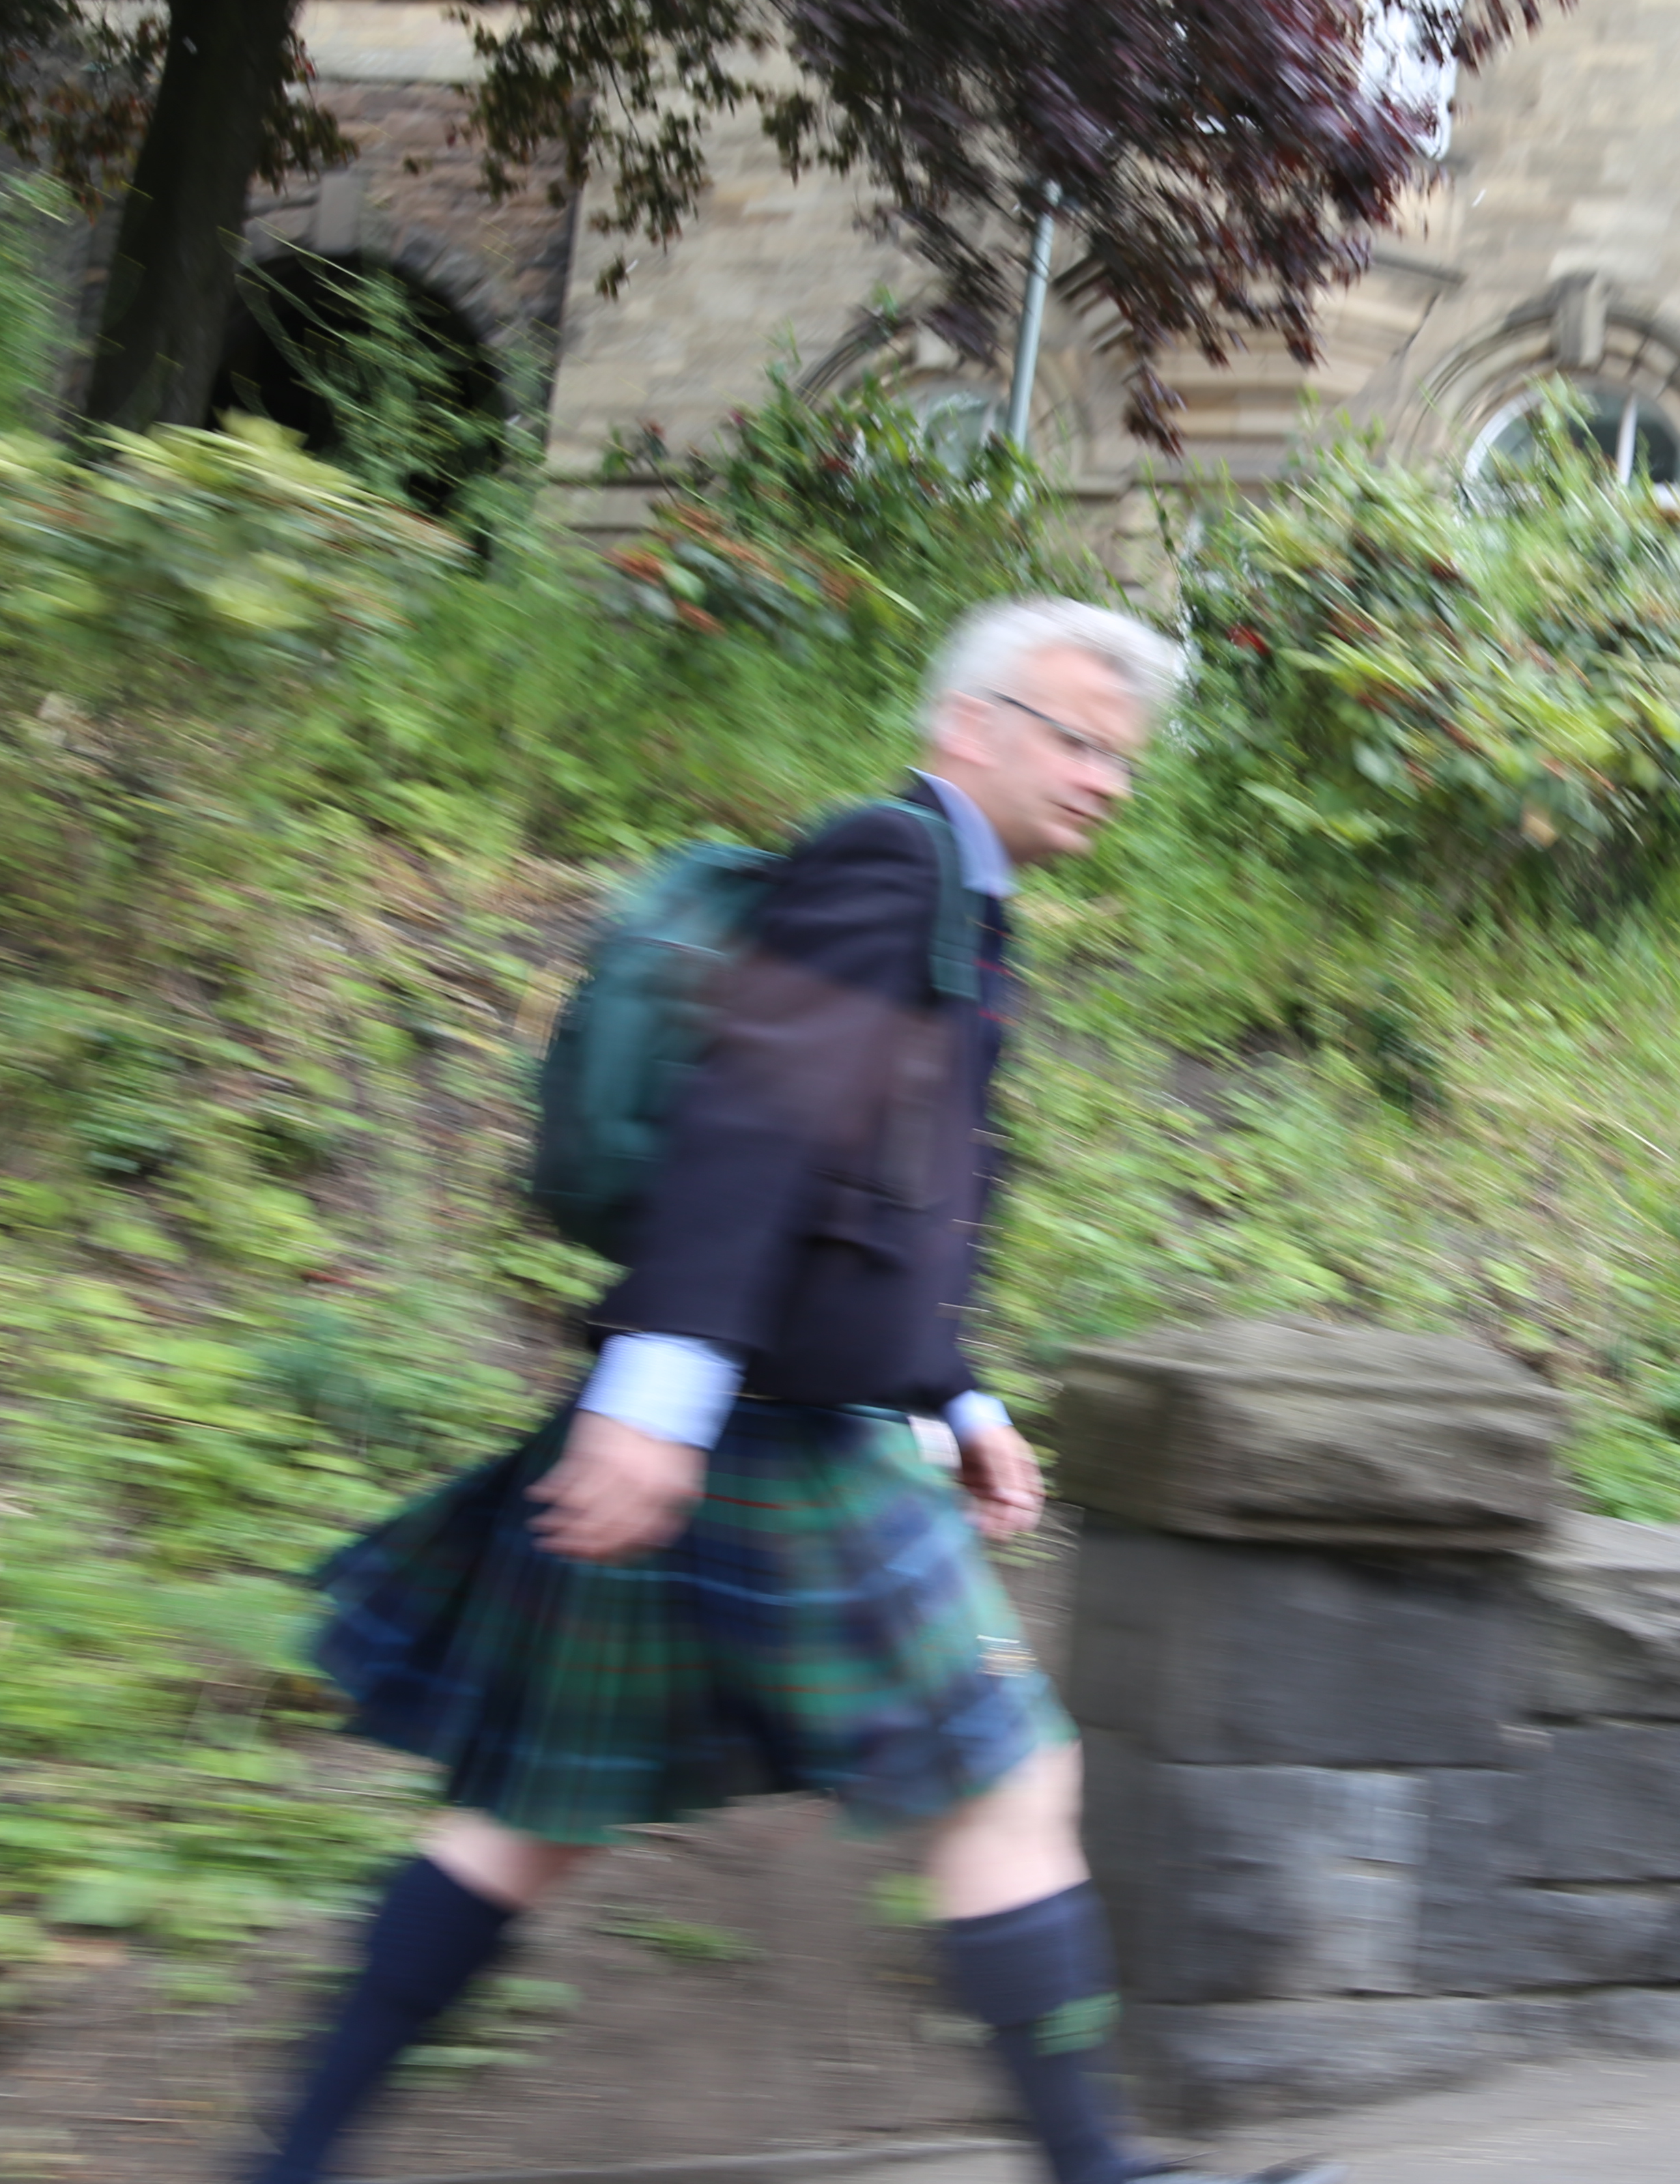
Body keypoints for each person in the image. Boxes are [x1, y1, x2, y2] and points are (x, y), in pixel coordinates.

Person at [241, 598, 1331, 2184]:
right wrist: (653, 1398)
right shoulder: (888, 868)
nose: (1109, 778)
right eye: (1080, 741)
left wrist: (956, 1399)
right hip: (765, 1437)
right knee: (1009, 1778)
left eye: (1124, 756)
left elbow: (881, 1188)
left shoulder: (956, 897)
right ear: (971, 729)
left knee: (525, 1815)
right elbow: (754, 1126)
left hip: (763, 1418)